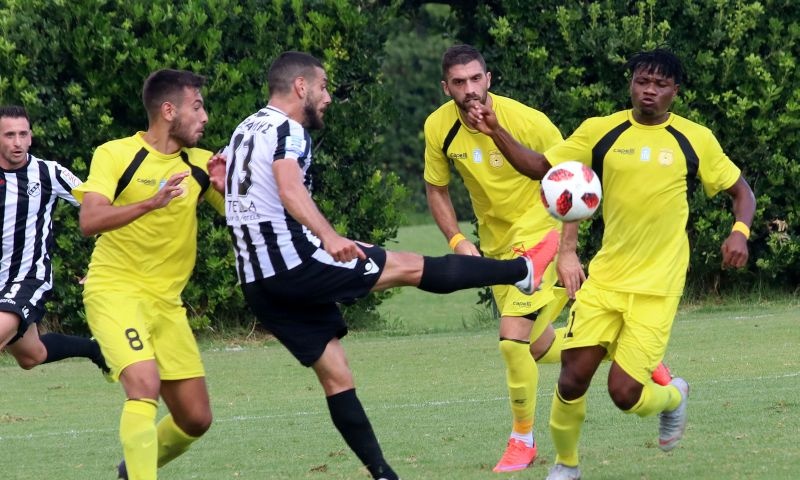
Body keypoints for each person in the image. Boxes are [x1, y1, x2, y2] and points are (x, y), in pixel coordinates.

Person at [209, 51, 561, 480]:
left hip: (259, 281)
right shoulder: (290, 130)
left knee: (337, 377)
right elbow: (288, 188)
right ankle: (520, 272)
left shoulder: (245, 129)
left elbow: (243, 198)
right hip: (297, 265)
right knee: (412, 267)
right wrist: (330, 237)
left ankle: (383, 475)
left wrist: (224, 190)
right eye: (322, 87)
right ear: (300, 87)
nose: (327, 97)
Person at [467, 48, 755, 480]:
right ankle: (566, 466)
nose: (649, 91)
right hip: (605, 280)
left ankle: (673, 398)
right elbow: (538, 168)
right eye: (642, 81)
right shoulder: (600, 131)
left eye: (660, 84)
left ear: (675, 90)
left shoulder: (695, 139)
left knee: (623, 393)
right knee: (571, 378)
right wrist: (495, 132)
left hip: (657, 287)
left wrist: (740, 232)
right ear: (631, 84)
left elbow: (742, 193)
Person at [423, 44, 570, 473]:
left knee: (511, 340)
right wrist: (455, 239)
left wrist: (566, 245)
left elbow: (566, 178)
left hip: (541, 232)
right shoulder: (438, 127)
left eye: (475, 79)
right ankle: (624, 349)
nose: (469, 90)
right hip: (497, 247)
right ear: (445, 86)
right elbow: (436, 187)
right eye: (459, 82)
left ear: (489, 79)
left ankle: (522, 440)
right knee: (538, 348)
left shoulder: (529, 121)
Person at [73, 69, 225, 480]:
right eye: (197, 106)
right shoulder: (116, 153)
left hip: (167, 305)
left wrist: (232, 191)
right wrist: (151, 202)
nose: (205, 116)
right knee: (144, 385)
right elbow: (90, 219)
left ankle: (132, 470)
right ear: (168, 110)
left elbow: (243, 218)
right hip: (115, 291)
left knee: (195, 418)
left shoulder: (199, 164)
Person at [0, 105, 109, 376]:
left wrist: (107, 265)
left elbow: (99, 210)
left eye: (23, 134)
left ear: (31, 136)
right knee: (31, 355)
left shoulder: (49, 173)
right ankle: (95, 349)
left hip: (25, 277)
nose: (17, 142)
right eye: (9, 135)